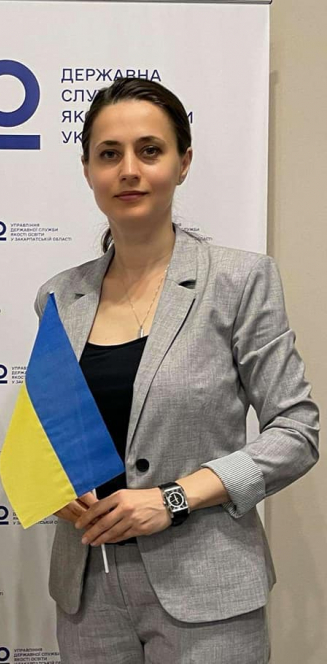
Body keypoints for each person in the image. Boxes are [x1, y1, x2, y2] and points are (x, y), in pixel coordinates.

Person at [36, 78, 319, 662]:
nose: (129, 170)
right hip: (88, 589)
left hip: (207, 588)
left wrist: (172, 498)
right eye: (109, 154)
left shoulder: (240, 281)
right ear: (87, 170)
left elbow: (297, 433)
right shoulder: (58, 298)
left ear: (183, 162)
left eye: (150, 150)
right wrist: (52, 485)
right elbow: (50, 436)